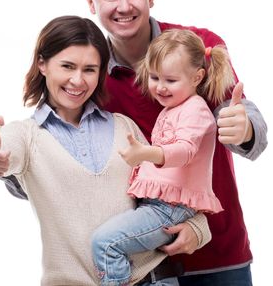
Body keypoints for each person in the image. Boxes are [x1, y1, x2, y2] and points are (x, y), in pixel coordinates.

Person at [0, 0, 268, 286]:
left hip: (216, 250)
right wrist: (5, 166)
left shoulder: (198, 46)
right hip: (143, 264)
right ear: (92, 3)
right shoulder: (92, 80)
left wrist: (244, 127)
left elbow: (243, 117)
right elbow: (64, 170)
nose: (124, 6)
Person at [0, 15, 212, 286]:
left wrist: (198, 228)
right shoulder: (27, 136)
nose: (77, 80)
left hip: (155, 279)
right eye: (67, 66)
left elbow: (165, 192)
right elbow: (3, 147)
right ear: (42, 64)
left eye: (89, 69)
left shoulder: (123, 126)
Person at [91, 29, 234, 286]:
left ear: (197, 77)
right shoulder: (173, 108)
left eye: (170, 80)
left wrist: (147, 154)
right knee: (108, 241)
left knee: (106, 243)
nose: (159, 87)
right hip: (160, 206)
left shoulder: (196, 110)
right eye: (154, 77)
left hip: (169, 209)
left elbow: (184, 150)